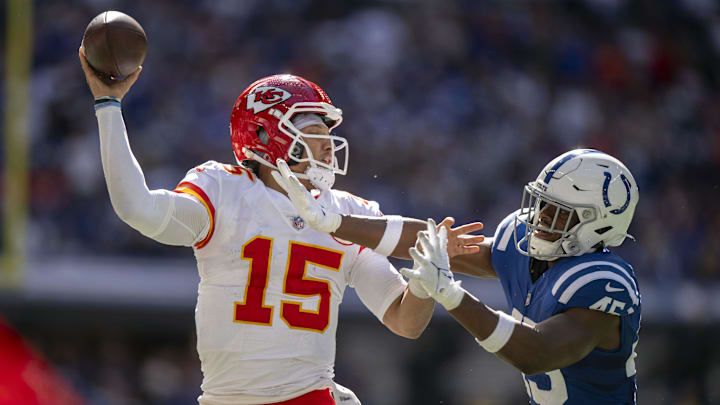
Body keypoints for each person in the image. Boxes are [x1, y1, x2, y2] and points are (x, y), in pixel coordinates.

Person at [78, 48, 484, 405]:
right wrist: (108, 106)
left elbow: (404, 321)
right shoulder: (224, 189)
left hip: (307, 397)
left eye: (328, 133)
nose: (327, 144)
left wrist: (424, 284)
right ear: (262, 134)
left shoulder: (349, 213)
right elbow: (138, 209)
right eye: (311, 131)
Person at [276, 149, 641, 404]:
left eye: (557, 212)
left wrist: (452, 295)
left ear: (599, 225)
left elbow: (538, 353)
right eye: (541, 203)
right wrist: (335, 223)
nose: (541, 217)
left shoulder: (603, 283)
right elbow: (437, 243)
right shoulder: (526, 247)